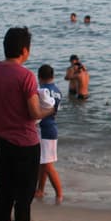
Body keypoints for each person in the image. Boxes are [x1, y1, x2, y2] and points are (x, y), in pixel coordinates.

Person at [0, 27, 54, 221]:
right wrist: (49, 110)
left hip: (2, 138)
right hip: (25, 141)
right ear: (24, 50)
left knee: (4, 188)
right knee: (24, 192)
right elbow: (33, 112)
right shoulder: (25, 76)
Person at [35, 64, 64, 203]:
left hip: (43, 128)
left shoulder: (41, 91)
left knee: (47, 164)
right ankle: (40, 190)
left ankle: (59, 193)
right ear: (52, 76)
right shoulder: (58, 91)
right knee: (44, 161)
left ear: (39, 77)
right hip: (52, 127)